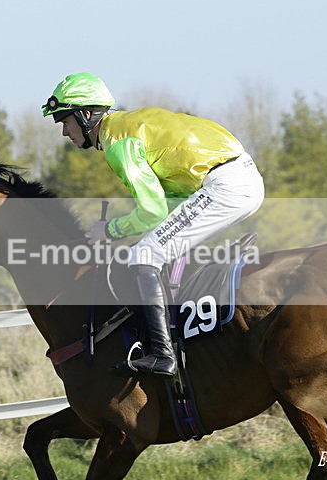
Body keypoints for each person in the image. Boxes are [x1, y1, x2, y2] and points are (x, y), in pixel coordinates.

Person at [43, 73, 265, 378]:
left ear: (84, 115)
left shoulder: (117, 143)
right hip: (237, 178)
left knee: (144, 255)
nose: (64, 132)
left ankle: (163, 354)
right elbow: (166, 208)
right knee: (152, 244)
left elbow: (151, 210)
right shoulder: (126, 125)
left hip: (225, 185)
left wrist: (109, 230)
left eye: (64, 121)